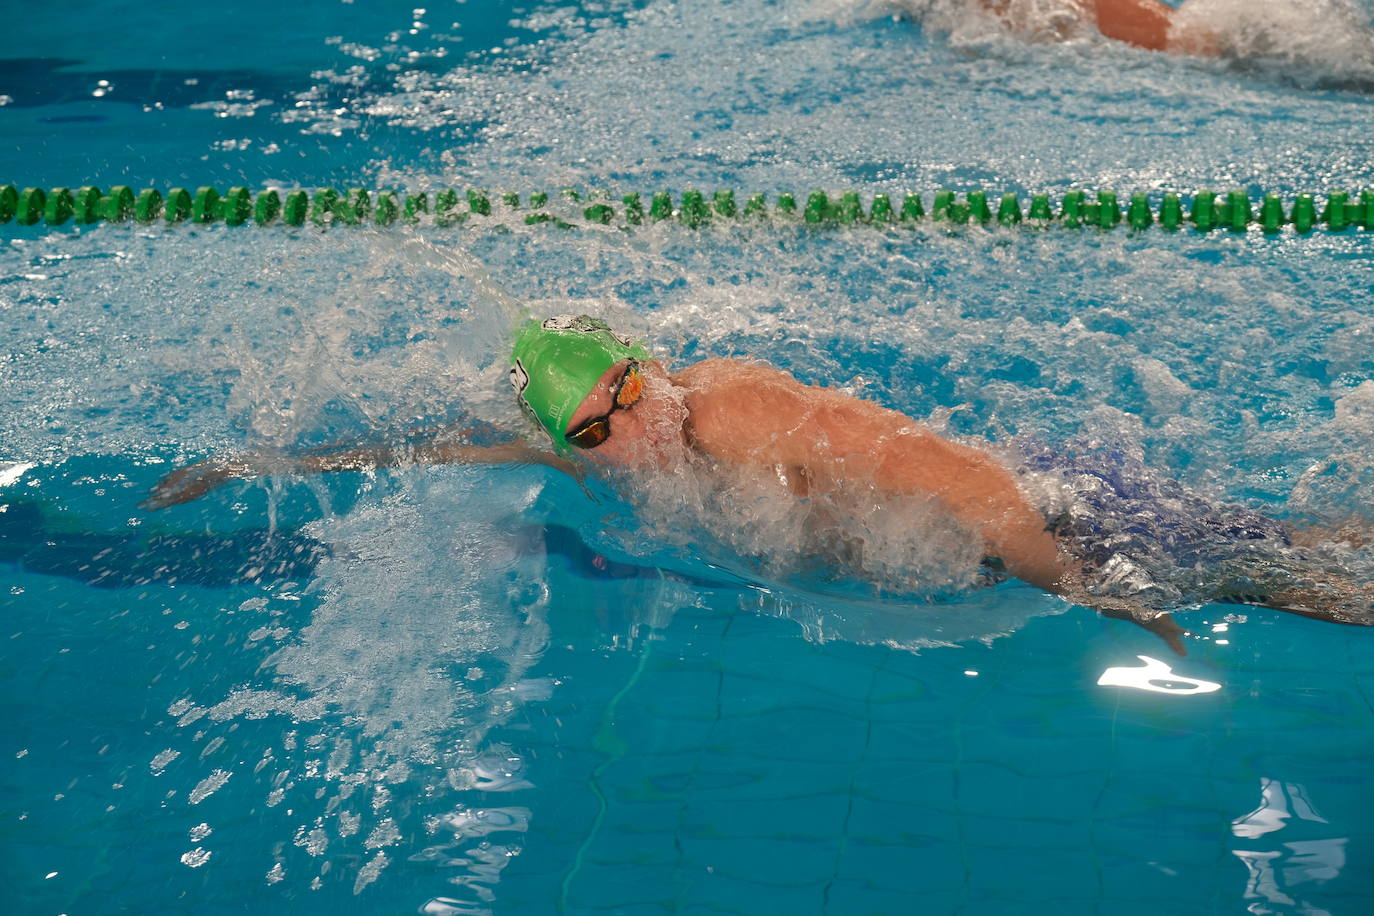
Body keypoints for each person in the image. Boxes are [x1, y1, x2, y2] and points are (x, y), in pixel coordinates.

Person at [145, 315, 1372, 653]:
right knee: (1283, 543)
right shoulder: (593, 442)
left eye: (632, 383)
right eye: (600, 420)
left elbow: (958, 480)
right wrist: (254, 463)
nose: (636, 415)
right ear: (571, 444)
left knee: (1292, 586)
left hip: (1044, 520)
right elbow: (422, 445)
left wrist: (1090, 592)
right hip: (1013, 528)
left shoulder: (732, 412)